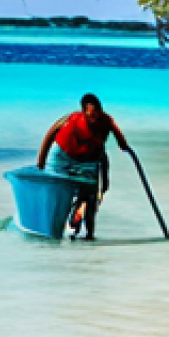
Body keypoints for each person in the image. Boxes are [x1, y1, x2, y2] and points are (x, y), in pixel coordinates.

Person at [37, 94, 130, 240]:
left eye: (97, 115)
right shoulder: (71, 119)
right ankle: (55, 224)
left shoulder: (107, 121)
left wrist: (123, 145)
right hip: (62, 157)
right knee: (57, 194)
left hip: (89, 161)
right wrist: (41, 162)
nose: (94, 120)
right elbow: (50, 134)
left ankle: (89, 235)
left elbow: (117, 142)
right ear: (83, 111)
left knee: (91, 198)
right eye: (91, 116)